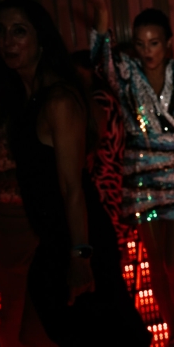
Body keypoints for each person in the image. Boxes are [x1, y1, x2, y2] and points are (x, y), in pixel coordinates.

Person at [0, 0, 151, 347]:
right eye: (1, 31)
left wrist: (80, 256)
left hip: (77, 238)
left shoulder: (59, 100)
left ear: (41, 39)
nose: (8, 41)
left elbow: (72, 186)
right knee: (37, 336)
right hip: (52, 238)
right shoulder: (24, 100)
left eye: (19, 30)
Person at [71, 0, 174, 347]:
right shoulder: (127, 73)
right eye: (140, 43)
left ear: (168, 44)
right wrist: (102, 14)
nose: (147, 50)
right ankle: (172, 331)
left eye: (154, 42)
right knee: (155, 265)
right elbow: (100, 61)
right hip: (141, 180)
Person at [71, 50, 129, 253]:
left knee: (107, 247)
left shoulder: (99, 101)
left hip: (104, 183)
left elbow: (94, 145)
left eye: (78, 75)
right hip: (114, 180)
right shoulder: (108, 97)